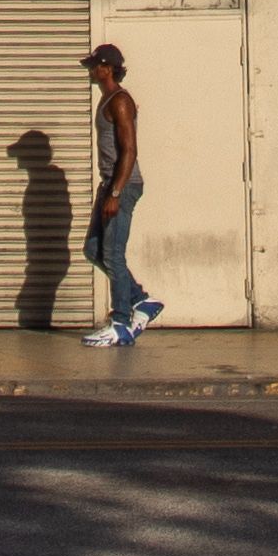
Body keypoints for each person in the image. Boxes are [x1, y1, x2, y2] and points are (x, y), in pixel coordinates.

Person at [81, 42, 162, 345]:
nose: (91, 71)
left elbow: (129, 151)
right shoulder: (107, 100)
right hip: (110, 185)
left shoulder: (120, 101)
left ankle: (121, 323)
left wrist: (115, 193)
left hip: (123, 186)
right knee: (94, 250)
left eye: (94, 66)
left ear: (107, 68)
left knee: (113, 253)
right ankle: (142, 299)